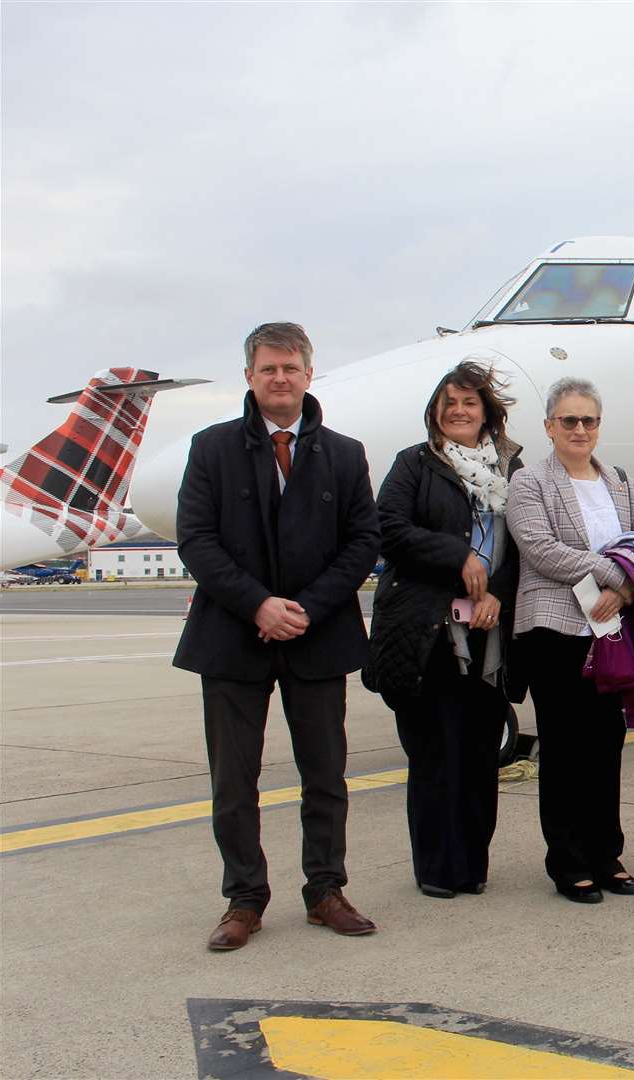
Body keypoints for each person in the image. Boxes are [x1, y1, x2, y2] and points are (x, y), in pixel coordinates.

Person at [173, 322, 380, 950]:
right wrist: (259, 605)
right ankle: (244, 897)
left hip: (317, 637)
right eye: (268, 369)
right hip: (233, 638)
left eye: (291, 368)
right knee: (233, 779)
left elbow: (363, 542)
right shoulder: (210, 447)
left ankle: (325, 889)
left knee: (325, 774)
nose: (280, 379)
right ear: (250, 377)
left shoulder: (344, 454)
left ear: (309, 375)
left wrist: (306, 609)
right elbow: (196, 540)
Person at [366, 361, 524, 898]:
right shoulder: (415, 463)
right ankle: (437, 868)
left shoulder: (513, 469)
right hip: (428, 631)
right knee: (435, 753)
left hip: (490, 635)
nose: (459, 411)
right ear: (436, 410)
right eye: (449, 402)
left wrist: (498, 592)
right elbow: (388, 528)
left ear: (487, 412)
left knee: (481, 755)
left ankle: (472, 866)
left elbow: (525, 541)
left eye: (470, 402)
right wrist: (458, 556)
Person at [507, 377, 634, 904]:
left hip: (609, 628)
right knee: (564, 748)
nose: (580, 429)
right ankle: (568, 862)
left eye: (589, 420)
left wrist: (628, 589)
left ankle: (606, 853)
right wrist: (613, 573)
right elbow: (540, 548)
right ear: (549, 427)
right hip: (556, 628)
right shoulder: (529, 482)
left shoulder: (622, 482)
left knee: (606, 744)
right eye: (569, 420)